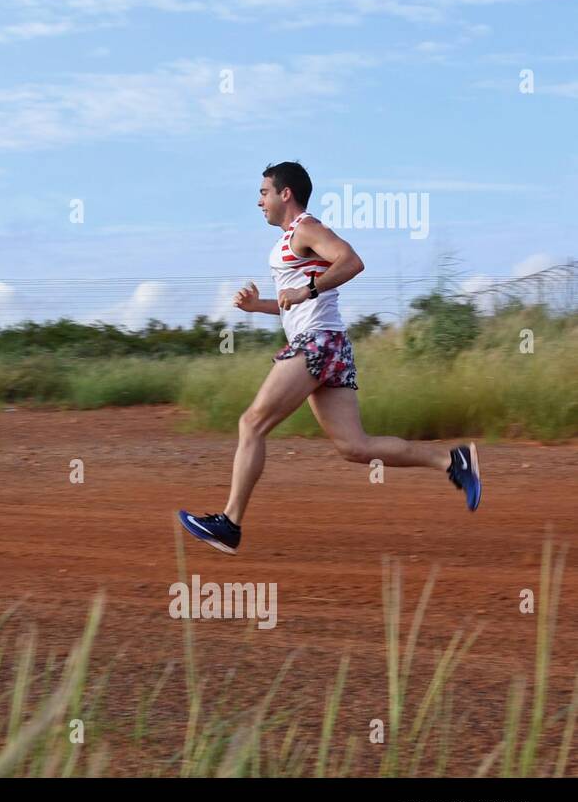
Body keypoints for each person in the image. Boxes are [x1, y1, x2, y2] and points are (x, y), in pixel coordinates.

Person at [177, 161, 482, 555]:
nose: (259, 202)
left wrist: (308, 290)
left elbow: (351, 261)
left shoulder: (306, 227)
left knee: (251, 423)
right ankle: (453, 461)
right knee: (355, 447)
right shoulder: (290, 240)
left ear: (285, 193)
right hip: (329, 344)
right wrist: (260, 306)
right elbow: (295, 303)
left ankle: (230, 523)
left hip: (317, 344)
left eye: (264, 192)